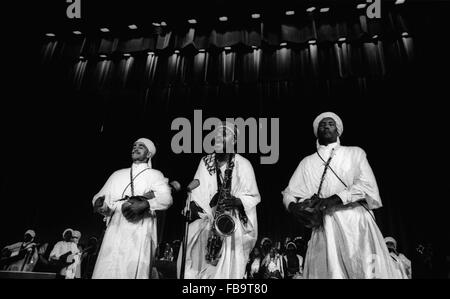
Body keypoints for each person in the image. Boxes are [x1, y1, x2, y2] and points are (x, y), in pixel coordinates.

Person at [282, 112, 401, 279]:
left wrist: (333, 199)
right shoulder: (307, 162)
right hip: (324, 226)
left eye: (331, 123)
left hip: (356, 222)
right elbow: (289, 193)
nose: (326, 126)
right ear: (316, 131)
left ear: (338, 130)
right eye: (322, 124)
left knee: (364, 272)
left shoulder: (355, 153)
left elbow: (367, 186)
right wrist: (293, 207)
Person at [178, 122, 260, 279]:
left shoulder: (243, 164)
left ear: (234, 141)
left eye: (224, 135)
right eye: (216, 136)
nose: (218, 138)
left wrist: (236, 201)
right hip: (206, 221)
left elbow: (253, 196)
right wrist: (195, 205)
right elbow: (197, 188)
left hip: (231, 223)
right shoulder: (205, 162)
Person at [92, 138, 172, 279]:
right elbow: (101, 198)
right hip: (115, 227)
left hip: (140, 229)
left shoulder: (155, 175)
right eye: (134, 146)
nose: (135, 148)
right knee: (107, 269)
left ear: (148, 154)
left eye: (141, 146)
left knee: (131, 270)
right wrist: (100, 204)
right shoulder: (117, 174)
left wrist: (146, 204)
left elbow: (167, 199)